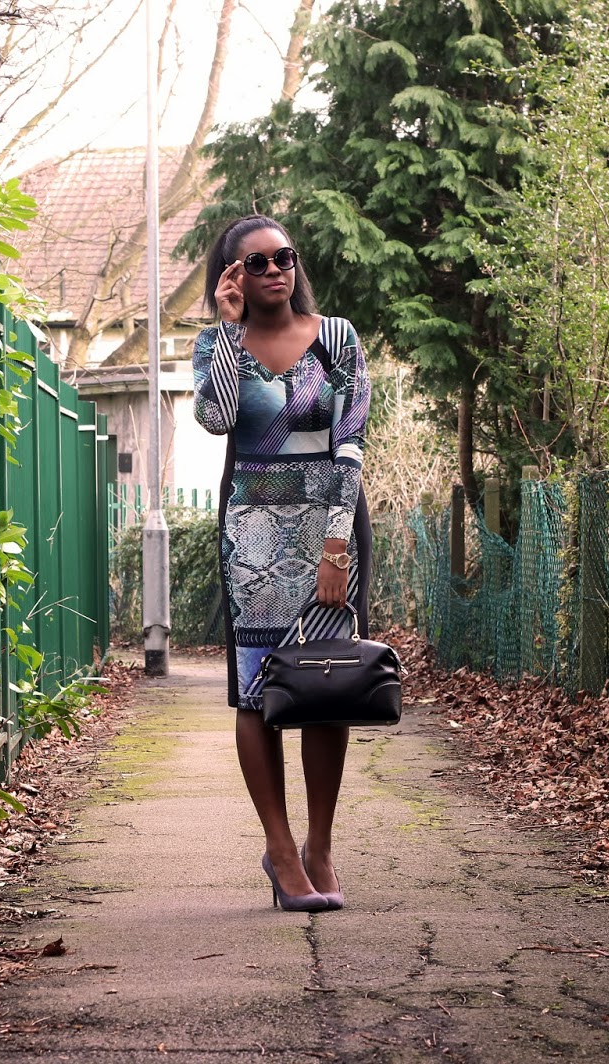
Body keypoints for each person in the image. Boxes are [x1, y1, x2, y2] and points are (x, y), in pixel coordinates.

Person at [191, 215, 372, 913]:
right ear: (231, 276)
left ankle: (320, 846)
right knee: (254, 691)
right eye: (256, 263)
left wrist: (336, 547)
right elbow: (217, 420)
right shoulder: (216, 346)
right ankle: (281, 850)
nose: (274, 271)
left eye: (284, 258)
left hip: (330, 528)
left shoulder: (338, 338)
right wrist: (228, 329)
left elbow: (350, 443)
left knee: (329, 683)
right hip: (252, 534)